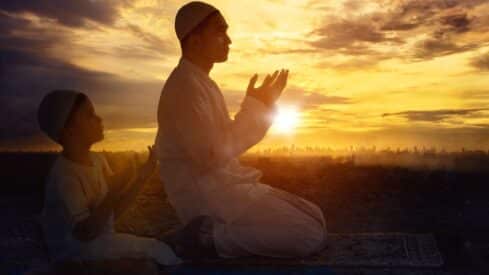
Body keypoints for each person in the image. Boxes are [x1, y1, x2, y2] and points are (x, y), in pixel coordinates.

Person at [155, 1, 327, 259]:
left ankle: (218, 235)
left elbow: (226, 141)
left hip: (228, 185)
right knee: (308, 235)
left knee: (315, 216)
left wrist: (259, 105)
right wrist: (256, 107)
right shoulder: (184, 87)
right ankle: (206, 239)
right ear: (195, 39)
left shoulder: (202, 83)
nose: (229, 40)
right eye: (220, 31)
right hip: (207, 196)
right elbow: (210, 156)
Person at [37, 90, 182, 266]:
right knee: (157, 251)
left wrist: (141, 178)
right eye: (89, 115)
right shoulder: (65, 177)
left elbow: (111, 215)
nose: (99, 119)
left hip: (99, 244)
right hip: (75, 253)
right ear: (69, 130)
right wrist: (112, 191)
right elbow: (84, 234)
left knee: (158, 250)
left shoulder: (97, 160)